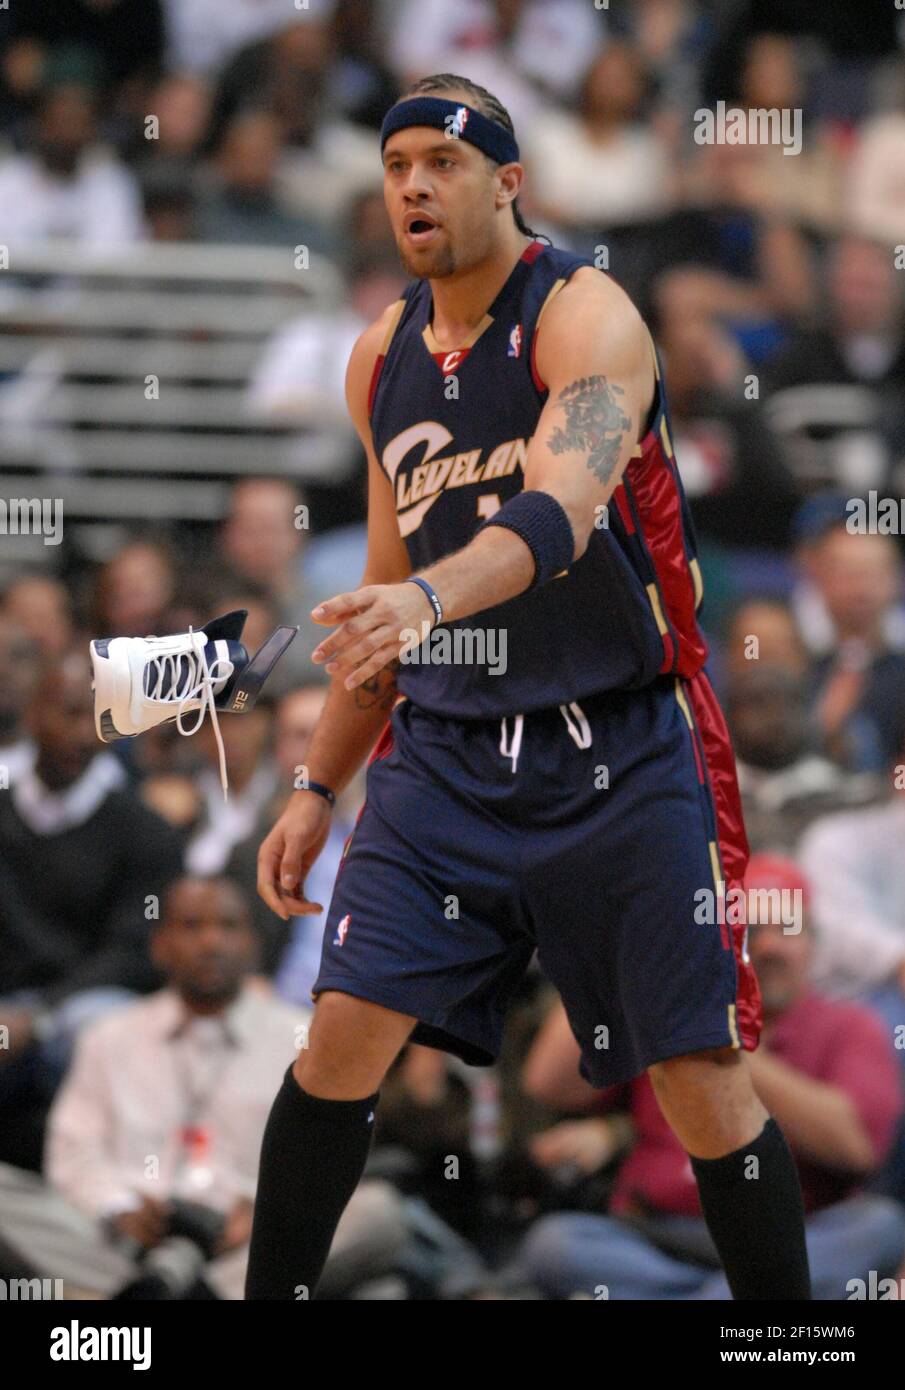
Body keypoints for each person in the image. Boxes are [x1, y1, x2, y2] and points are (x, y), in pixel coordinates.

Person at [245, 74, 811, 1302]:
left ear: (508, 182)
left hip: (619, 743)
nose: (410, 185)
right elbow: (376, 620)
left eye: (440, 163)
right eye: (395, 163)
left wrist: (428, 601)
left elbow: (560, 510)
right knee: (339, 1039)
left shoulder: (585, 313)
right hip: (446, 750)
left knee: (698, 1077)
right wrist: (311, 786)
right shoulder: (379, 357)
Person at [514, 857, 905, 1300]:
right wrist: (623, 956)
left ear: (813, 944)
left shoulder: (849, 1026)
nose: (771, 946)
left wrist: (723, 1039)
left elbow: (857, 1146)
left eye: (788, 929)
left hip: (796, 1240)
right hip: (656, 1237)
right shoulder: (663, 1011)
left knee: (879, 1226)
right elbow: (549, 1084)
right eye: (752, 931)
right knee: (556, 1244)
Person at [0, 876, 404, 1299]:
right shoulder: (108, 1035)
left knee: (379, 1212)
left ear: (253, 945)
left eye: (228, 927)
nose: (211, 942)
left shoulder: (303, 1040)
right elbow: (72, 1152)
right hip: (121, 1243)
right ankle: (163, 1287)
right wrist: (117, 1206)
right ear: (159, 945)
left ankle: (184, 1293)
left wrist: (265, 1211)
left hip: (248, 1248)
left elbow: (331, 1161)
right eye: (192, 926)